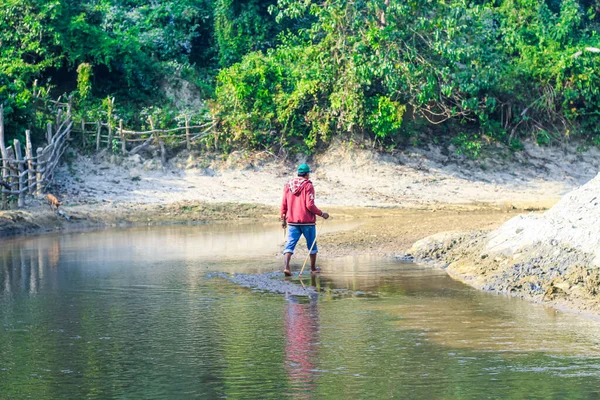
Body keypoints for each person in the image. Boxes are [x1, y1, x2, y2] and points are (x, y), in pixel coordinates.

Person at [280, 163, 329, 276]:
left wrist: (283, 219)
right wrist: (322, 214)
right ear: (307, 174)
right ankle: (312, 268)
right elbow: (309, 205)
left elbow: (284, 204)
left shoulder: (288, 185)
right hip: (307, 221)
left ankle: (287, 267)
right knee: (312, 244)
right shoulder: (308, 185)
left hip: (292, 221)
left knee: (290, 244)